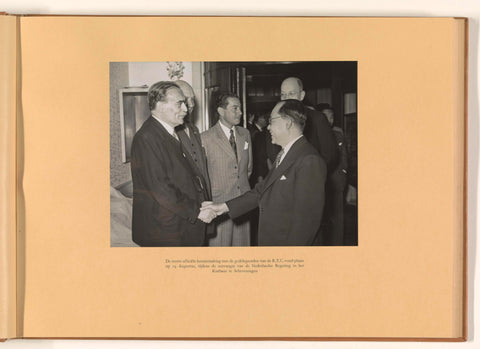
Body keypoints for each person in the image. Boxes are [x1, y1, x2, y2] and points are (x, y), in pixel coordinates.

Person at [201, 100, 327, 246]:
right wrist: (222, 207)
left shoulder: (309, 160)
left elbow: (306, 223)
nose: (268, 127)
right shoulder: (285, 154)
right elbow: (261, 191)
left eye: (271, 121)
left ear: (287, 123)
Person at [130, 81, 215, 247]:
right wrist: (196, 211)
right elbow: (161, 189)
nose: (185, 109)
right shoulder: (147, 138)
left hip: (176, 226)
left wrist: (200, 202)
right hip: (165, 233)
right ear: (160, 105)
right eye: (179, 103)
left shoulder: (167, 133)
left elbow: (180, 178)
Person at [201, 92, 252, 246]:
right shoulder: (205, 138)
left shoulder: (245, 134)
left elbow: (248, 169)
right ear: (221, 111)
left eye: (240, 108)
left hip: (243, 203)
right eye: (235, 108)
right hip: (218, 206)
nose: (240, 112)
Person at [280, 77, 338, 172]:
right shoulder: (278, 120)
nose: (286, 99)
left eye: (291, 94)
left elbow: (330, 155)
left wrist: (313, 173)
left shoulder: (317, 118)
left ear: (302, 95)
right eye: (283, 94)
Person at [174, 80, 212, 198]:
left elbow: (203, 170)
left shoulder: (194, 129)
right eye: (186, 99)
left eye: (193, 99)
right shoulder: (170, 131)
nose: (191, 104)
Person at [320, 107, 348, 245]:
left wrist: (343, 172)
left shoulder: (338, 134)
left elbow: (344, 157)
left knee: (338, 216)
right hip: (321, 181)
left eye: (331, 117)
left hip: (337, 180)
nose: (329, 120)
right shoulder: (317, 135)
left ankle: (338, 245)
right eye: (326, 117)